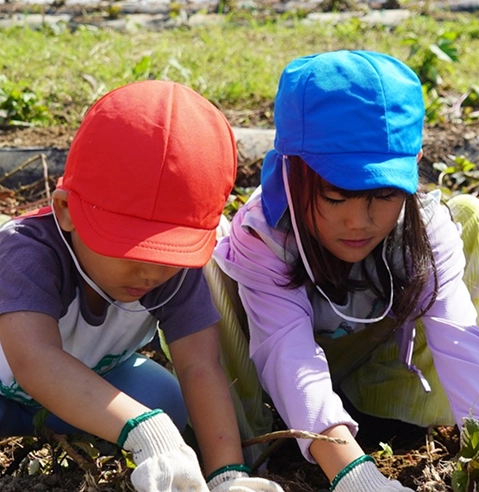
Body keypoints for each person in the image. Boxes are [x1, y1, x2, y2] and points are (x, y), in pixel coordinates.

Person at [212, 50, 479, 491]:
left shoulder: (424, 228)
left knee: (477, 219)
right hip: (268, 388)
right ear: (293, 172)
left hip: (365, 371)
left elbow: (459, 336)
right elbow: (287, 353)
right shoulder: (266, 235)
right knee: (203, 257)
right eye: (336, 198)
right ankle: (247, 446)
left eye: (383, 195)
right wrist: (354, 475)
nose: (359, 221)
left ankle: (389, 410)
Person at [0, 80, 283, 492]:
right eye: (129, 250)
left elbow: (199, 364)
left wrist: (228, 474)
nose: (150, 274)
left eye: (169, 253)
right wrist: (143, 429)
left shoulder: (173, 270)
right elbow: (34, 361)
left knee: (167, 401)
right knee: (154, 419)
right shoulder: (25, 251)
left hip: (89, 381)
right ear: (66, 211)